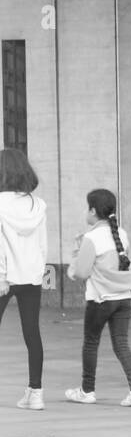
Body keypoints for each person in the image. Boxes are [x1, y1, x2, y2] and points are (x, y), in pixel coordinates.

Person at [65, 189, 131, 407]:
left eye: (87, 208)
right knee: (122, 344)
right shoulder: (121, 234)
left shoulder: (92, 238)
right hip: (124, 298)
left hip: (100, 299)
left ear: (93, 211)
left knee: (91, 343)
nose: (86, 212)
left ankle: (87, 390)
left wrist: (76, 254)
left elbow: (81, 273)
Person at [0, 148, 49, 411]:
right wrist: (38, 271)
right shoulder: (37, 205)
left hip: (5, 277)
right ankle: (36, 392)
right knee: (32, 334)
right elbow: (43, 245)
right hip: (31, 276)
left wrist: (2, 277)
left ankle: (33, 393)